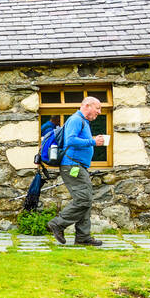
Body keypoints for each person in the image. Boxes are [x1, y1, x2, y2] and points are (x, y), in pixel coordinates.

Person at [47, 96, 108, 247]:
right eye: (97, 108)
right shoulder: (76, 120)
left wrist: (92, 140)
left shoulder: (83, 122)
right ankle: (58, 224)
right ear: (87, 106)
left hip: (78, 166)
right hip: (72, 166)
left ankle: (83, 237)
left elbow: (77, 141)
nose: (99, 112)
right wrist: (93, 141)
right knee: (83, 200)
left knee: (85, 200)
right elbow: (70, 140)